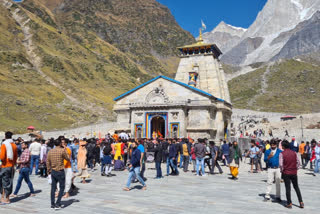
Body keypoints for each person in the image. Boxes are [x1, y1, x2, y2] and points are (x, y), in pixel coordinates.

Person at [279, 140, 304, 209]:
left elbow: (281, 164)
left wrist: (282, 171)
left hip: (286, 173)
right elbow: (298, 162)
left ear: (283, 146)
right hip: (294, 172)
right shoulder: (294, 153)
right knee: (296, 187)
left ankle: (289, 203)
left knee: (288, 188)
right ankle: (301, 202)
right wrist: (296, 169)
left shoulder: (282, 154)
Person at [46, 139, 70, 210]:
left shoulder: (50, 151)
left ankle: (52, 204)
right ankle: (58, 203)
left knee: (53, 188)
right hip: (60, 171)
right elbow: (68, 158)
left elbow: (47, 162)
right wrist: (65, 149)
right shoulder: (62, 150)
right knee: (62, 187)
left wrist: (49, 170)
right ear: (60, 144)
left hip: (53, 171)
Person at [0, 132, 18, 204]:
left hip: (5, 165)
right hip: (12, 166)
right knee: (9, 182)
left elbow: (2, 157)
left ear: (5, 136)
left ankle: (5, 198)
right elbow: (16, 156)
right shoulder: (14, 145)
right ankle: (7, 197)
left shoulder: (4, 144)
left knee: (4, 182)